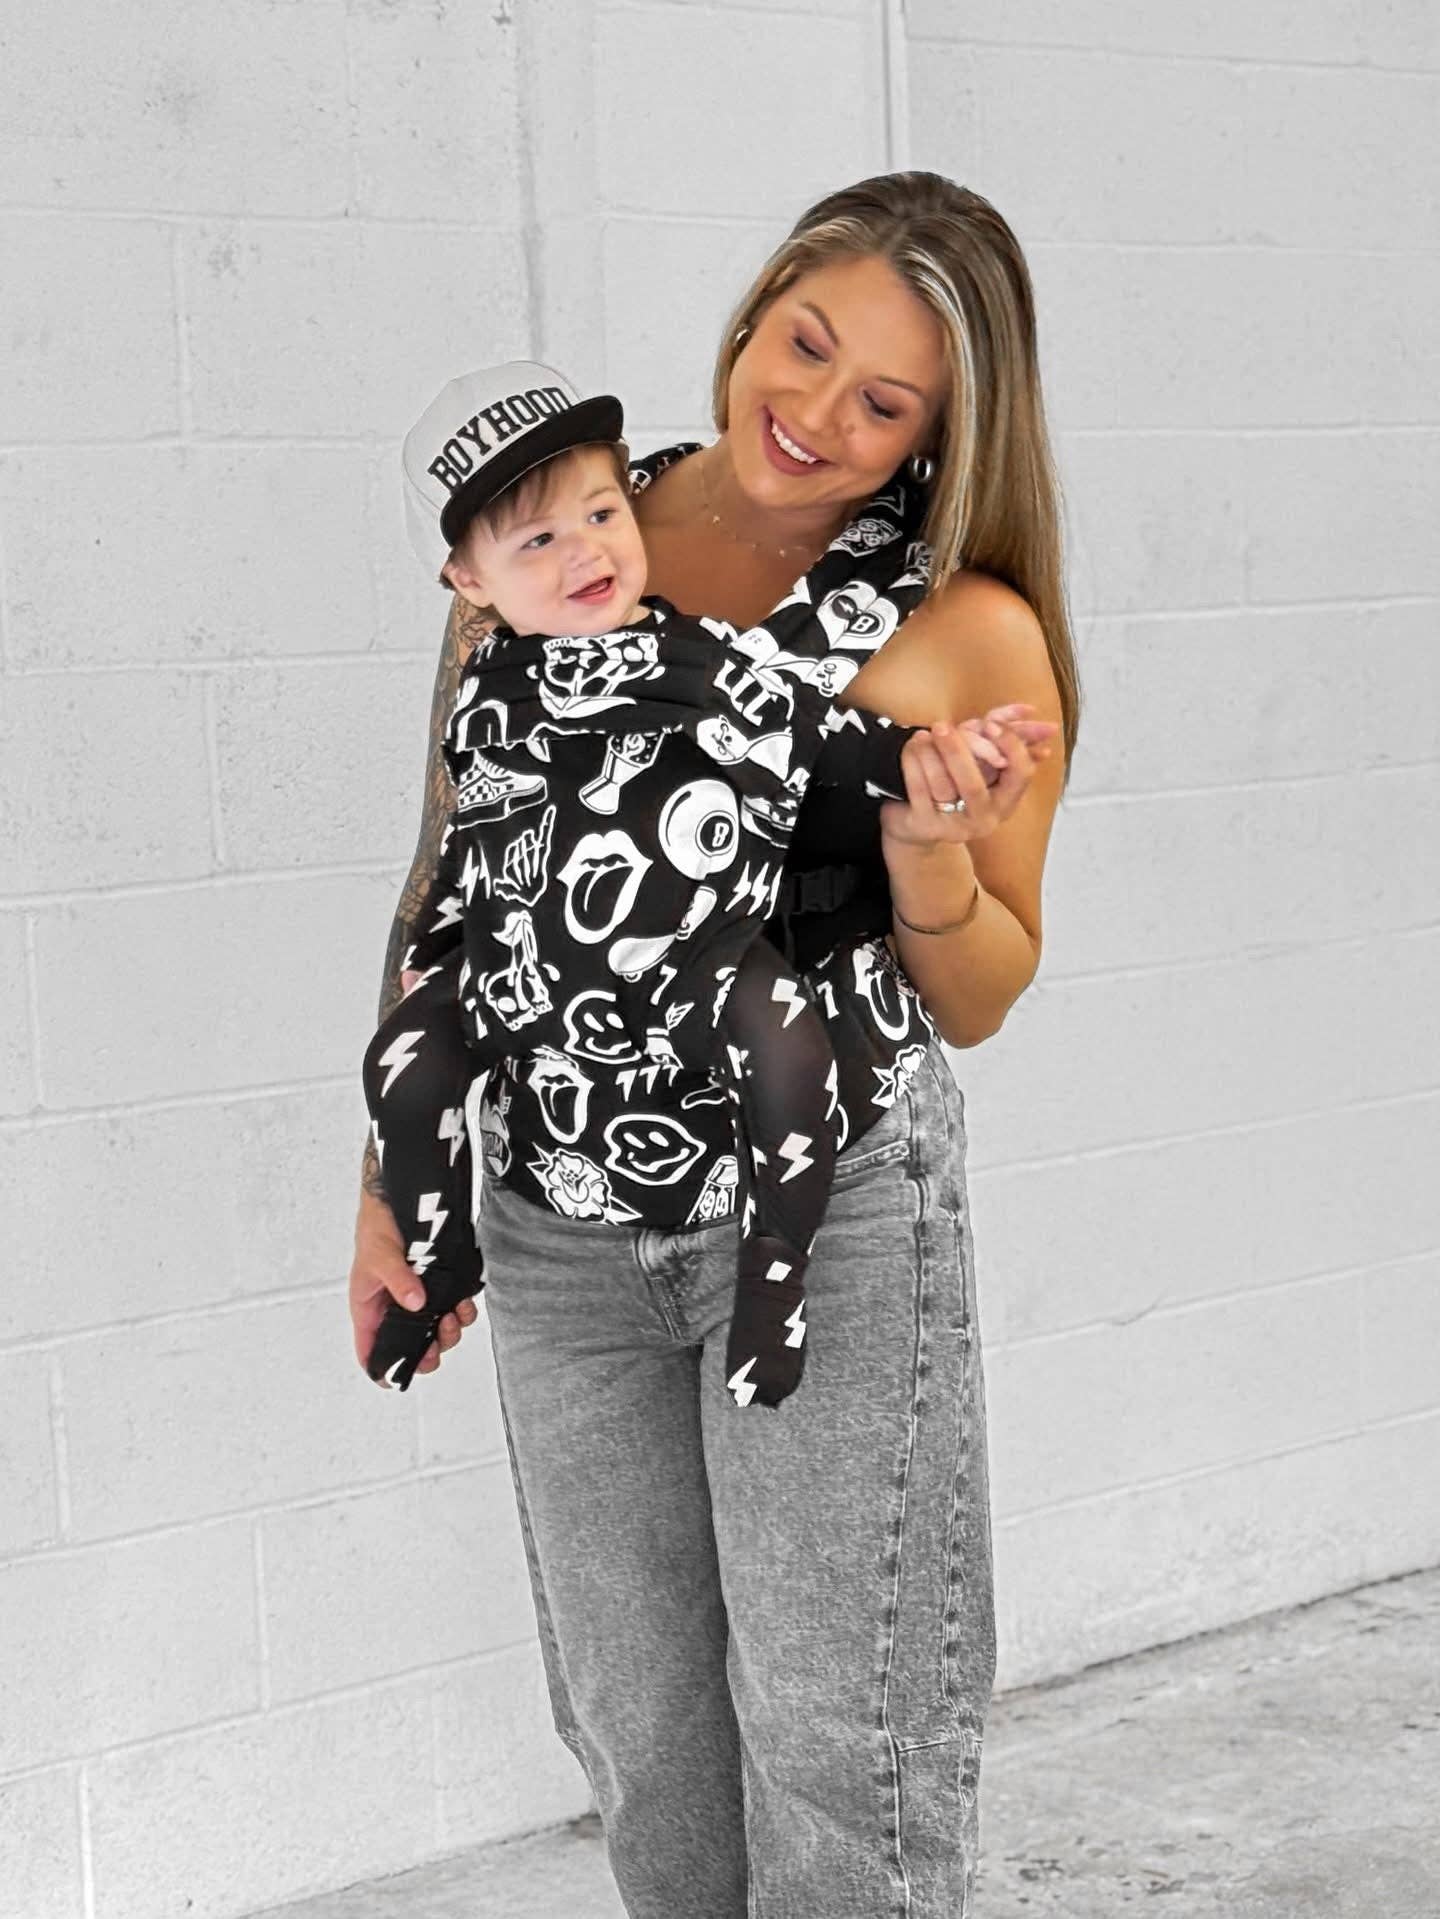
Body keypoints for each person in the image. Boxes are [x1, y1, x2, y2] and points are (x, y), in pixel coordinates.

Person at [348, 171, 1077, 1916]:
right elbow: (459, 867)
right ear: (757, 309)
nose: (817, 413)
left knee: (841, 1737)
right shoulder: (563, 519)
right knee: (642, 1734)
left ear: (940, 437)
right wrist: (394, 1182)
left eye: (885, 402)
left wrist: (924, 853)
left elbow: (984, 987)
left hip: (830, 1206)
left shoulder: (964, 626)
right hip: (556, 1224)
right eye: (805, 344)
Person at [359, 360, 1053, 1403]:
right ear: (470, 581)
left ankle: (774, 1276)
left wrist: (928, 756)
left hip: (688, 964)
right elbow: (461, 851)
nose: (586, 549)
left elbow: (817, 738)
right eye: (537, 540)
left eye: (603, 512)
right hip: (528, 981)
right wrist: (439, 965)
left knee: (789, 1054)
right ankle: (439, 1254)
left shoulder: (696, 660)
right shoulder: (484, 699)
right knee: (403, 1063)